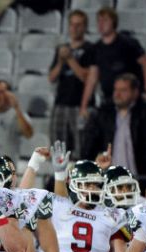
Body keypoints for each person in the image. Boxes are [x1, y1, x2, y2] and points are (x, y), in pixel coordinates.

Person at [80, 73, 146, 177]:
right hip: (108, 177)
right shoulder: (102, 113)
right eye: (116, 90)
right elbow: (88, 145)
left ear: (135, 92)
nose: (117, 94)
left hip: (139, 177)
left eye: (123, 90)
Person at [80, 7, 146, 115]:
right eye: (99, 20)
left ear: (113, 22)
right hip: (109, 100)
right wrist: (84, 105)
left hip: (130, 100)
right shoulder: (95, 48)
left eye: (105, 20)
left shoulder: (128, 43)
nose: (101, 24)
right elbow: (92, 78)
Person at [49, 9, 96, 160]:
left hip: (80, 105)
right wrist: (61, 61)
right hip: (61, 103)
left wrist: (69, 59)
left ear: (85, 27)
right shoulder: (61, 49)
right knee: (58, 145)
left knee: (80, 145)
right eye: (72, 25)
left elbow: (86, 76)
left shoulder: (90, 49)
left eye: (79, 25)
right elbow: (52, 77)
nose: (75, 28)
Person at [0, 80, 33, 159]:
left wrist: (16, 107)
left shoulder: (17, 115)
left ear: (9, 95)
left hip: (5, 166)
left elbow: (29, 134)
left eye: (1, 92)